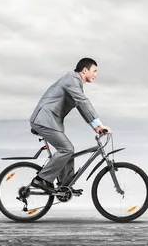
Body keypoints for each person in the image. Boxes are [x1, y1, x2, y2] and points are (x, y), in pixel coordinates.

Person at [28, 57, 111, 193]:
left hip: (50, 121)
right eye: (94, 71)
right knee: (66, 149)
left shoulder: (75, 84)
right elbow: (83, 102)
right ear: (85, 70)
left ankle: (65, 186)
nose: (96, 74)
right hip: (44, 120)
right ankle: (41, 179)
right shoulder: (71, 79)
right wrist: (99, 124)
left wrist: (95, 127)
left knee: (67, 151)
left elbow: (80, 106)